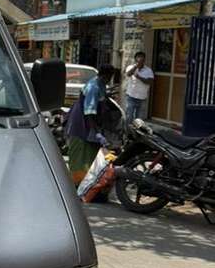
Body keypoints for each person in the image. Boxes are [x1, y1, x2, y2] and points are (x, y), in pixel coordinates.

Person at [65, 64, 117, 194]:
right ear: (106, 75)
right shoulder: (93, 87)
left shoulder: (101, 84)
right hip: (81, 124)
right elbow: (89, 112)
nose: (110, 79)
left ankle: (86, 185)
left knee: (90, 157)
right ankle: (76, 187)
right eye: (110, 76)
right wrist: (97, 132)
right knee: (80, 158)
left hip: (91, 125)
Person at [124, 51, 154, 122]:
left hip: (142, 98)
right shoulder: (130, 67)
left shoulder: (148, 70)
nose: (141, 61)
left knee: (139, 120)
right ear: (135, 59)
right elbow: (128, 74)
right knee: (129, 116)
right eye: (139, 59)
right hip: (131, 96)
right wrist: (135, 67)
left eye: (142, 60)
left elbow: (150, 82)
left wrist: (139, 77)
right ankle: (128, 132)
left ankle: (137, 132)